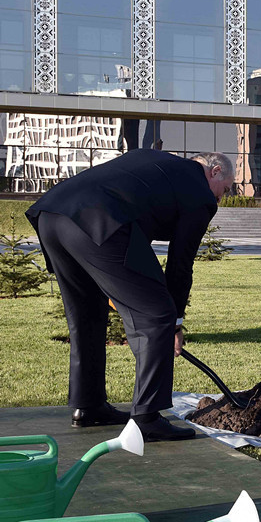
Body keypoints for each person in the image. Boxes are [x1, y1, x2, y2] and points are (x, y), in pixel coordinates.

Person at [26, 150, 234, 441]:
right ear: (214, 172)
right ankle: (147, 418)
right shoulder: (199, 192)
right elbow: (180, 263)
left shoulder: (160, 164)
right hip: (99, 220)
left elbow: (136, 207)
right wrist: (174, 321)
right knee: (156, 314)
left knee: (87, 315)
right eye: (224, 191)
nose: (219, 201)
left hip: (52, 215)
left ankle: (89, 406)